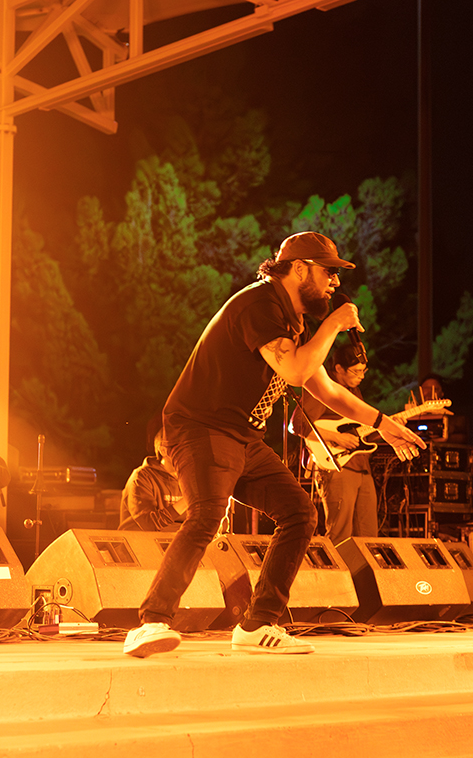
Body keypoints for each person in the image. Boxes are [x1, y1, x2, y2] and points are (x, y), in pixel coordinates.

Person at [122, 231, 425, 658]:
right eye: (329, 273)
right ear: (299, 268)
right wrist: (335, 324)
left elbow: (326, 390)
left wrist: (382, 422)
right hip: (200, 427)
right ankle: (151, 622)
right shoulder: (260, 303)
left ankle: (257, 624)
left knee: (300, 513)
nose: (335, 283)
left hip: (242, 437)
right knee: (207, 513)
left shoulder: (291, 319)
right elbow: (298, 371)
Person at [292, 344, 379, 544]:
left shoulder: (354, 390)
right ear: (338, 368)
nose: (362, 376)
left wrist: (390, 428)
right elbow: (298, 425)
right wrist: (336, 437)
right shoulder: (324, 388)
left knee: (369, 537)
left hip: (361, 467)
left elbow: (359, 429)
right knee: (341, 535)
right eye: (357, 371)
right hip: (337, 467)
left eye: (364, 370)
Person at [118, 430, 185, 532]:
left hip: (176, 544)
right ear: (163, 450)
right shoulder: (141, 477)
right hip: (140, 545)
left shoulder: (191, 479)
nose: (189, 453)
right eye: (182, 447)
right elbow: (149, 524)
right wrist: (191, 499)